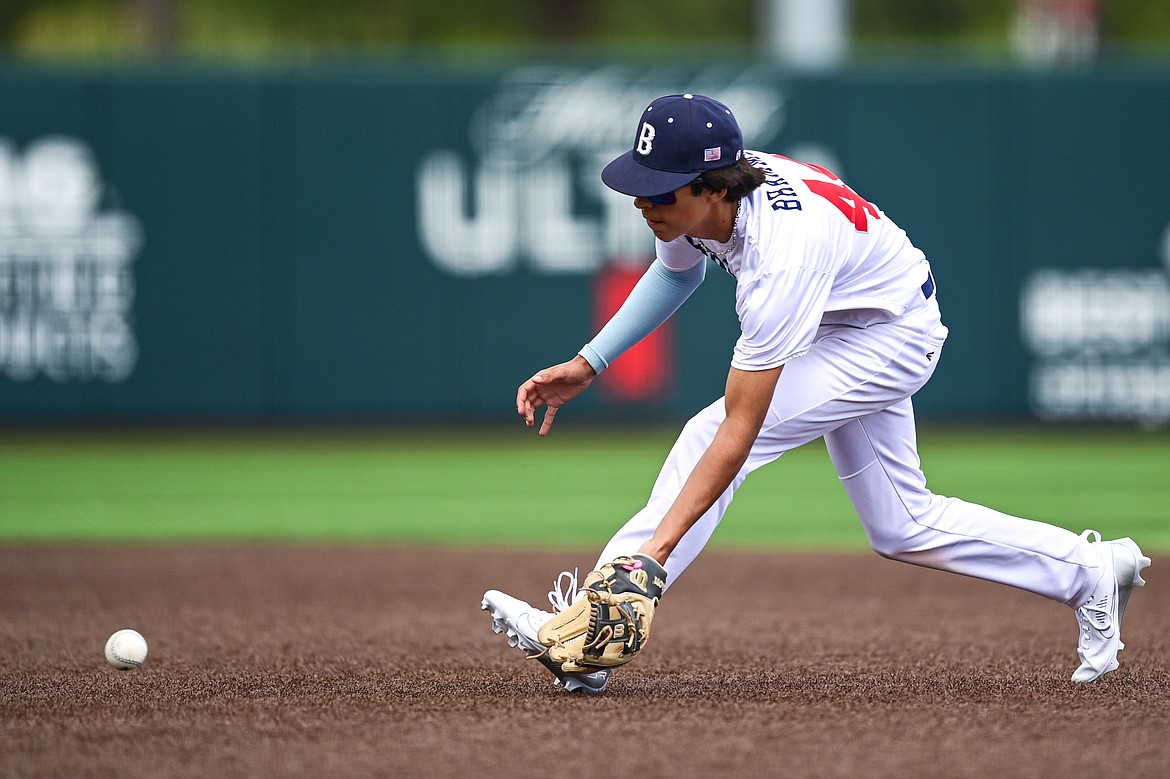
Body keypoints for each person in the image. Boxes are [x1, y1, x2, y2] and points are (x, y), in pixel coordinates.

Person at [481, 93, 1150, 694]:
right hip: (856, 320)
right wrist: (590, 360)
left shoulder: (780, 253)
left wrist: (649, 560)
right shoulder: (708, 202)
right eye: (642, 189)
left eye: (661, 194)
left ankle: (593, 630)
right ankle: (1089, 569)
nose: (644, 204)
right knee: (902, 524)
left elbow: (740, 430)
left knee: (707, 435)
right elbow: (675, 275)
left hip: (889, 335)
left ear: (714, 188)